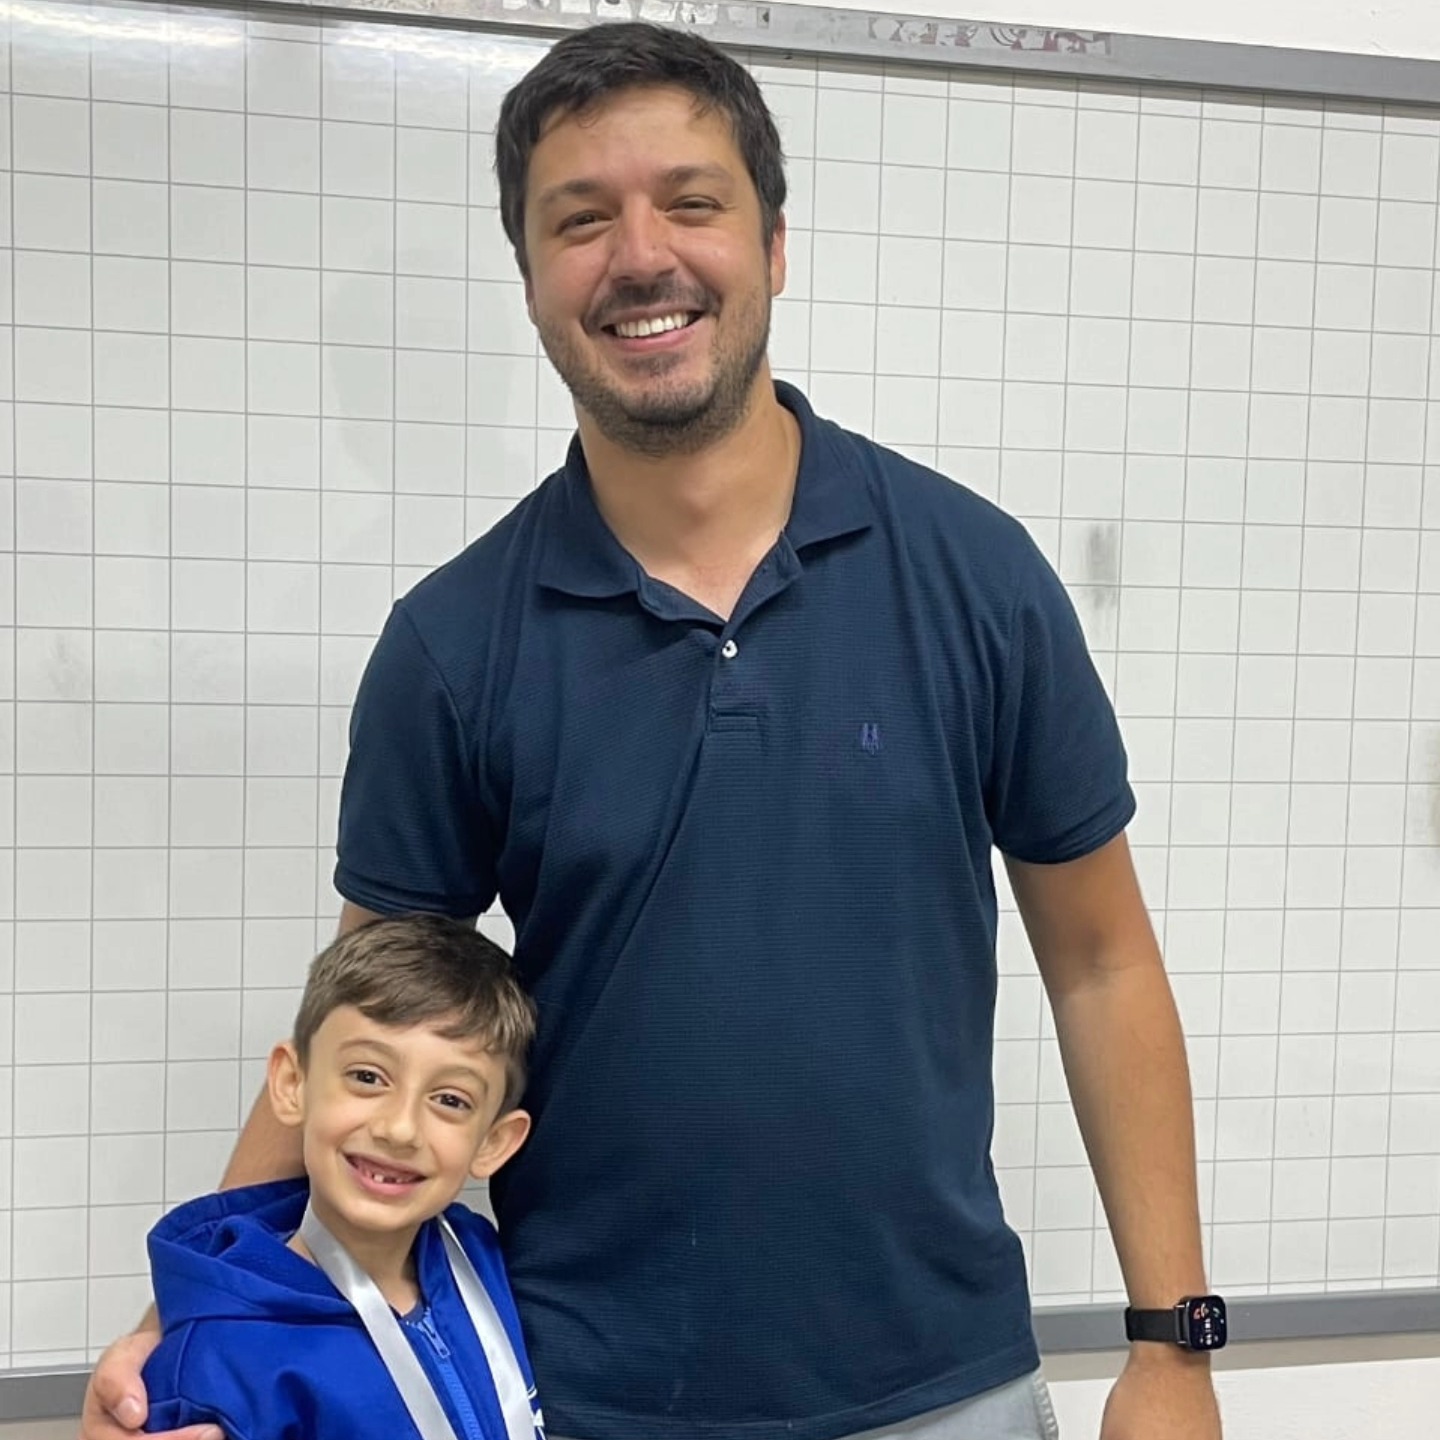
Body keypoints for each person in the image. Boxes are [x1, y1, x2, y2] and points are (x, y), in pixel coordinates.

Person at [86, 20, 1223, 1440]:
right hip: (580, 1395)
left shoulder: (974, 577)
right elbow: (364, 1027)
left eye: (691, 202)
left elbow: (1104, 964)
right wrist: (191, 1322)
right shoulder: (452, 645)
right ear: (530, 279)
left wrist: (1173, 1347)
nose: (641, 256)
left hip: (948, 1387)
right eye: (581, 220)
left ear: (774, 243)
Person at [140, 914, 542, 1440]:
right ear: (293, 1084)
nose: (400, 1129)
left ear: (493, 1142)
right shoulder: (219, 1361)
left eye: (450, 1100)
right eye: (367, 1076)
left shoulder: (477, 1258)